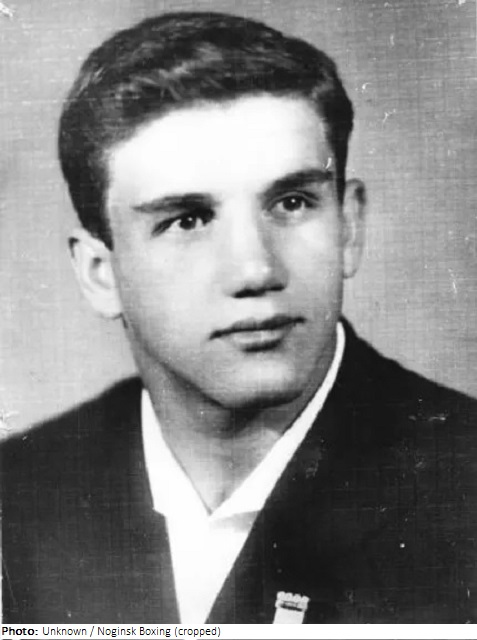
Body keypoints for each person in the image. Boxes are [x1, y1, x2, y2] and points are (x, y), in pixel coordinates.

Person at [2, 11, 476, 625]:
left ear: (349, 226)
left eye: (292, 202)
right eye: (188, 220)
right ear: (100, 273)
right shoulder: (18, 498)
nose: (255, 270)